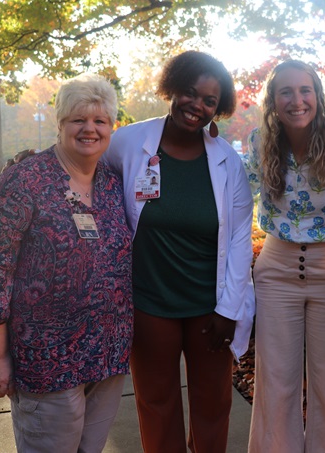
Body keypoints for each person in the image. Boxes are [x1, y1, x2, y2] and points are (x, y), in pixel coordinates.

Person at [0, 74, 133, 453]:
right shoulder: (23, 181)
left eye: (100, 121)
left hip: (107, 356)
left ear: (111, 127)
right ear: (60, 124)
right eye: (78, 119)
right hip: (46, 362)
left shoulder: (111, 183)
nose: (90, 129)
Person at [103, 50, 255, 453]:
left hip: (210, 307)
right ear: (173, 88)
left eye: (209, 100)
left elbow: (240, 239)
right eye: (190, 92)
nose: (197, 105)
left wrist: (229, 310)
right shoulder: (129, 142)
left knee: (213, 401)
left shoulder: (228, 163)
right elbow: (86, 165)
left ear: (217, 108)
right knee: (157, 400)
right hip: (150, 300)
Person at [245, 60, 325, 453]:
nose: (297, 100)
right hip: (276, 269)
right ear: (273, 101)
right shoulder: (256, 144)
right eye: (286, 92)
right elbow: (235, 202)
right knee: (275, 384)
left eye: (305, 91)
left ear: (317, 96)